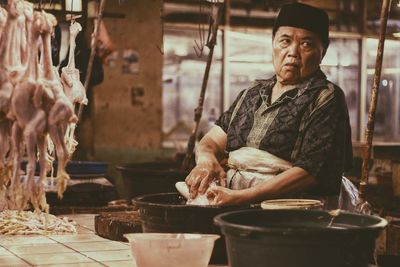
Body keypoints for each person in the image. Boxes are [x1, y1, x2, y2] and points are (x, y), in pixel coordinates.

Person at [185, 2, 353, 206]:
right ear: (273, 43)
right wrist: (205, 160)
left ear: (323, 51)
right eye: (285, 41)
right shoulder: (252, 94)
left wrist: (241, 197)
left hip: (295, 210)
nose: (293, 52)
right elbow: (210, 142)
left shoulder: (326, 98)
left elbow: (311, 172)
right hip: (231, 200)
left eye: (306, 44)